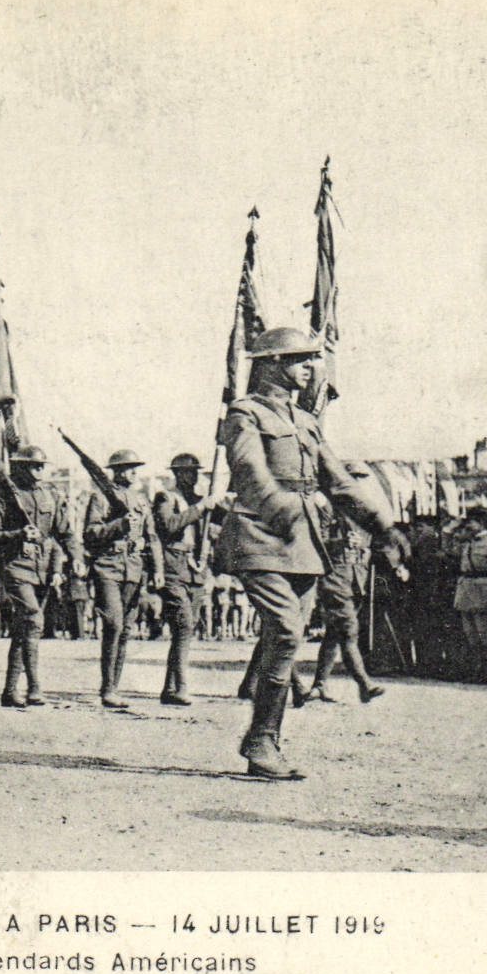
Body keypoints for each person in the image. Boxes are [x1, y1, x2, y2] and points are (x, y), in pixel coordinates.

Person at [212, 327, 407, 779]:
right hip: (260, 534)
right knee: (282, 629)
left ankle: (265, 738)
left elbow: (338, 481)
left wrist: (383, 525)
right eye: (300, 359)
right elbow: (247, 469)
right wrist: (282, 508)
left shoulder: (304, 421)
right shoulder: (245, 413)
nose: (310, 367)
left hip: (303, 543)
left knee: (288, 638)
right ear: (272, 363)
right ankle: (261, 742)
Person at [0, 445, 83, 707]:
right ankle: (35, 686)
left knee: (23, 629)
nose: (39, 471)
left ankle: (10, 691)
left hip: (42, 569)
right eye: (33, 466)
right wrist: (18, 534)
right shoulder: (6, 494)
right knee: (33, 618)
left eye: (41, 466)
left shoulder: (50, 495)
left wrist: (76, 558)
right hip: (15, 566)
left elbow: (65, 532)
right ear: (20, 467)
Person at [82, 449, 164, 708]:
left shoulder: (140, 500)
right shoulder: (100, 496)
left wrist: (158, 569)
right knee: (113, 624)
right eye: (129, 468)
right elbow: (91, 533)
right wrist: (119, 526)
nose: (134, 473)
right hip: (108, 567)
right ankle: (107, 688)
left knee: (126, 629)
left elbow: (151, 537)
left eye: (135, 468)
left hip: (134, 568)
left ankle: (113, 688)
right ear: (116, 471)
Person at [300, 466, 387, 704]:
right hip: (335, 577)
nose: (356, 485)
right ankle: (364, 684)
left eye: (359, 480)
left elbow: (371, 544)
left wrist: (364, 547)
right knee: (348, 631)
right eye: (353, 479)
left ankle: (319, 685)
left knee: (334, 634)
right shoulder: (327, 507)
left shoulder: (362, 512)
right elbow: (316, 540)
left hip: (356, 579)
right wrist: (341, 543)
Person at [153, 452, 226, 704]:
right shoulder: (166, 497)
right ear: (176, 474)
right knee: (183, 625)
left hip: (196, 569)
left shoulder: (200, 500)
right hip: (174, 567)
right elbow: (168, 525)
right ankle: (181, 686)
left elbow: (224, 520)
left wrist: (220, 501)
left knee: (187, 627)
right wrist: (200, 508)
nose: (192, 476)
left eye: (195, 471)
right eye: (187, 472)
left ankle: (169, 688)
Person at [452, 507, 487, 682]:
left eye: (472, 522)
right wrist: (449, 531)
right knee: (470, 634)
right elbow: (448, 551)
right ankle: (475, 670)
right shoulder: (466, 544)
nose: (468, 525)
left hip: (483, 592)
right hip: (465, 591)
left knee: (484, 634)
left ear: (481, 523)